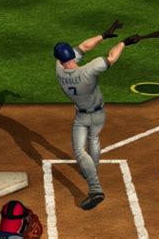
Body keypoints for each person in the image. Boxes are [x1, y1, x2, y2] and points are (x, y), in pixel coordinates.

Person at [54, 21, 140, 210]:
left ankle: (94, 185)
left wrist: (102, 35)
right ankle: (93, 176)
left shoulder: (58, 69)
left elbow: (83, 48)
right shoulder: (89, 70)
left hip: (81, 116)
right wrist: (124, 43)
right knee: (93, 139)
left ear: (59, 59)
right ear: (71, 55)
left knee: (79, 150)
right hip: (99, 114)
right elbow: (111, 57)